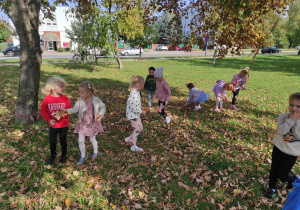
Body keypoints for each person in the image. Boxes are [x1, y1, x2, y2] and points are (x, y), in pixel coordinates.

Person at [264, 92, 300, 199]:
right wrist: (291, 120)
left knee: (283, 174)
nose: (294, 108)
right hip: (279, 148)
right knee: (274, 169)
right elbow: (281, 131)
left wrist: (295, 122)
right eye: (291, 105)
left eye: (298, 106)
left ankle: (293, 180)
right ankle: (272, 189)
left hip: (292, 153)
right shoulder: (283, 116)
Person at [62, 81, 106, 165]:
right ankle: (83, 155)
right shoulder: (80, 100)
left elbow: (103, 107)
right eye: (79, 92)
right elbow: (75, 109)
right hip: (83, 123)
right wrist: (66, 111)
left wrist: (100, 115)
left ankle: (95, 152)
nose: (80, 94)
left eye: (82, 93)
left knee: (92, 138)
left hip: (92, 123)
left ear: (89, 92)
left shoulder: (95, 99)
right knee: (80, 139)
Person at [40, 76, 71, 165]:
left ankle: (63, 155)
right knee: (52, 141)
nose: (63, 88)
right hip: (53, 125)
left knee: (63, 140)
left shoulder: (65, 98)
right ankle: (52, 155)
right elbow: (43, 111)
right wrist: (49, 120)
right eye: (61, 86)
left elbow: (69, 110)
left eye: (63, 86)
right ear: (53, 87)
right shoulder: (47, 99)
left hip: (64, 124)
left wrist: (63, 113)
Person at [125, 75, 146, 152]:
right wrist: (141, 111)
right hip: (133, 116)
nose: (143, 86)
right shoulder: (134, 95)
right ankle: (133, 146)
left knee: (140, 128)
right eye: (143, 84)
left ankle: (129, 138)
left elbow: (136, 104)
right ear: (138, 85)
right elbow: (134, 108)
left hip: (136, 115)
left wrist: (141, 107)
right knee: (136, 130)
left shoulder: (136, 92)